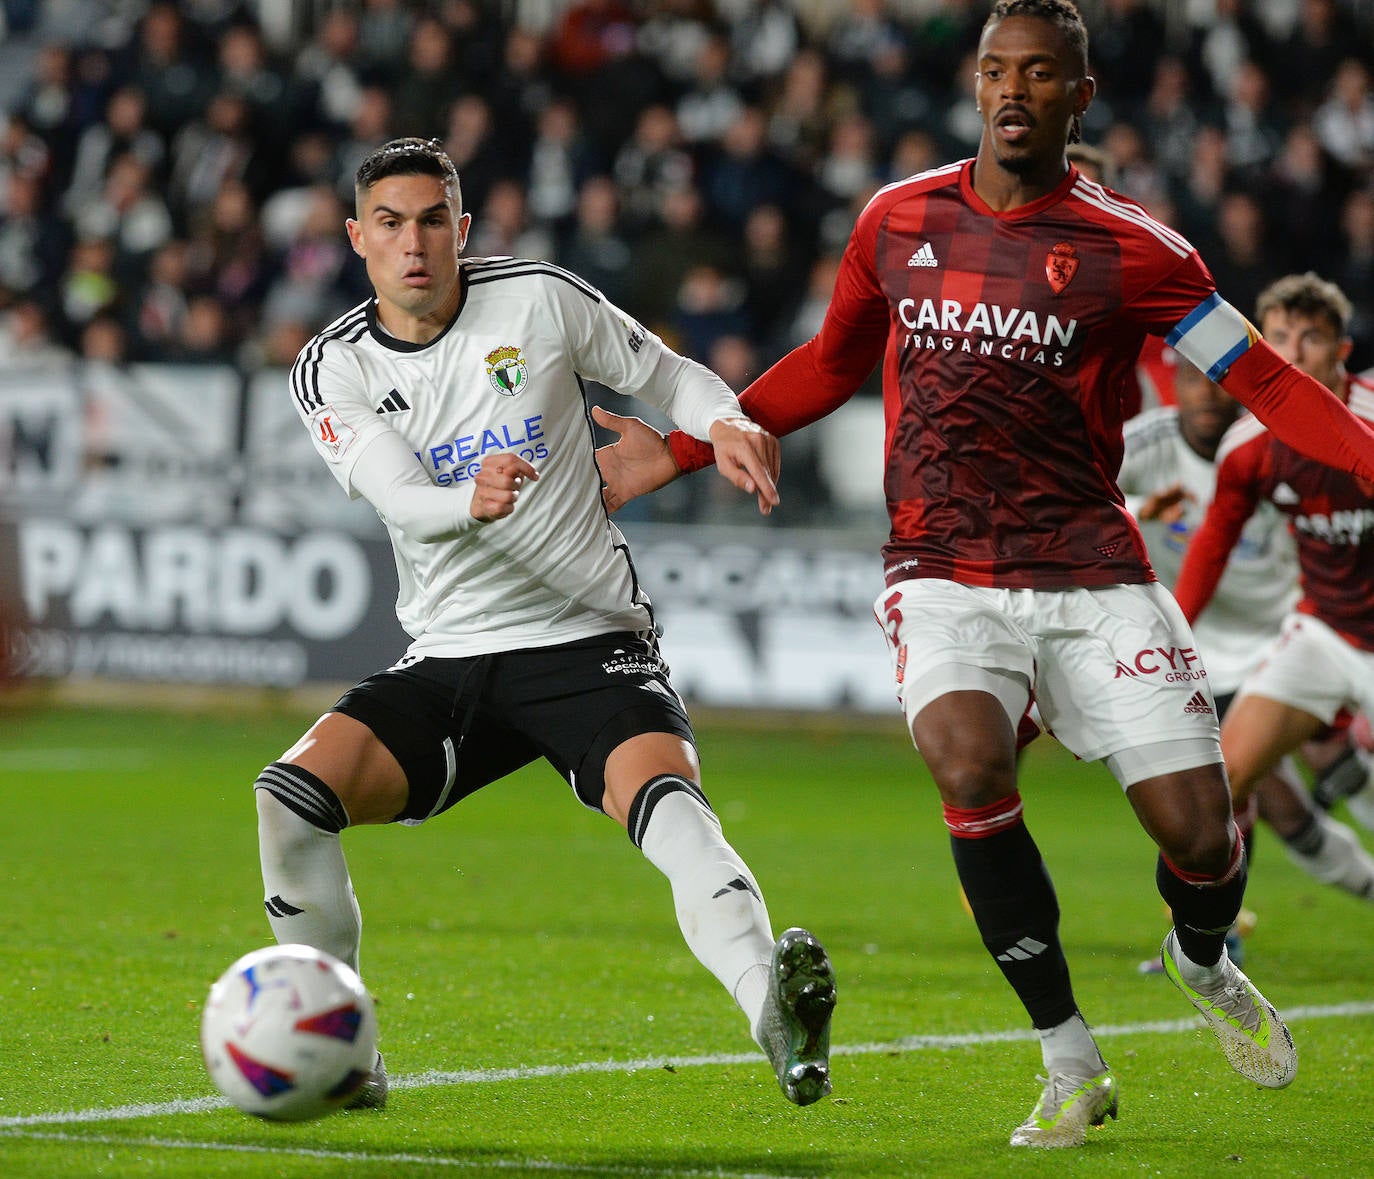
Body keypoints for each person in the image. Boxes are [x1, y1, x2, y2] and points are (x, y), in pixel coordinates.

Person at [596, 0, 1374, 1148]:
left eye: (1041, 73)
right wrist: (681, 444)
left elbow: (1262, 381)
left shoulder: (1138, 252)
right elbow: (828, 363)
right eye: (995, 69)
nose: (1013, 90)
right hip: (942, 564)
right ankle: (1068, 1058)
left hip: (1091, 570)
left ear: (1080, 96)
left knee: (1203, 838)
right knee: (966, 765)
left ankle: (1201, 955)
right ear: (973, 86)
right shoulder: (896, 219)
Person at [263, 137, 837, 1113]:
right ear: (357, 239)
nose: (415, 244)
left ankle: (774, 1018)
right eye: (391, 225)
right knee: (291, 798)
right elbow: (399, 499)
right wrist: (466, 501)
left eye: (433, 220)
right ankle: (345, 1050)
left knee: (668, 805)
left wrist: (728, 420)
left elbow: (670, 375)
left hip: (587, 636)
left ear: (462, 229)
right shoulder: (334, 368)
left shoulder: (539, 299)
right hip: (450, 655)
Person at [1119, 353, 1374, 957]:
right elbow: (1071, 501)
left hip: (1287, 629)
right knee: (1247, 797)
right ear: (1171, 386)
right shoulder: (1143, 446)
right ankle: (1215, 934)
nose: (1206, 396)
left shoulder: (1281, 440)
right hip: (1202, 643)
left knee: (1332, 766)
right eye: (1190, 382)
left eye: (1217, 383)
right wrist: (1137, 513)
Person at [1173, 272, 1374, 851]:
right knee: (1221, 783)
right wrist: (1175, 638)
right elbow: (1211, 545)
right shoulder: (1248, 447)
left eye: (1311, 337)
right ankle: (1207, 940)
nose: (1293, 351)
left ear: (1341, 352)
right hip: (1324, 632)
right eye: (1279, 336)